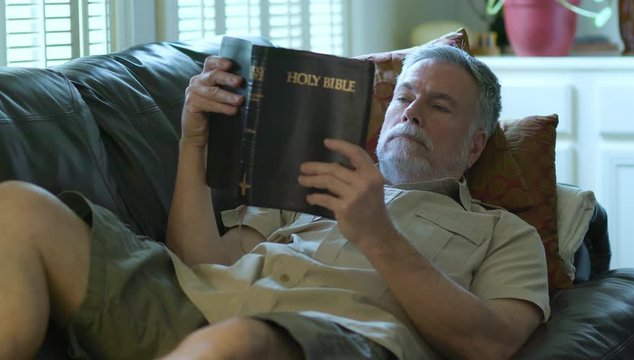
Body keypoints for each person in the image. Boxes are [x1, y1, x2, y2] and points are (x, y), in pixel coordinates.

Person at [0, 44, 549, 359]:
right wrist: (195, 144)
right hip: (195, 304)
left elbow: (490, 344)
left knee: (238, 342)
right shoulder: (308, 179)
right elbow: (201, 262)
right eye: (405, 96)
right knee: (19, 206)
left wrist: (376, 231)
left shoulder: (505, 233)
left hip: (319, 340)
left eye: (440, 105)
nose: (411, 111)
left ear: (476, 145)